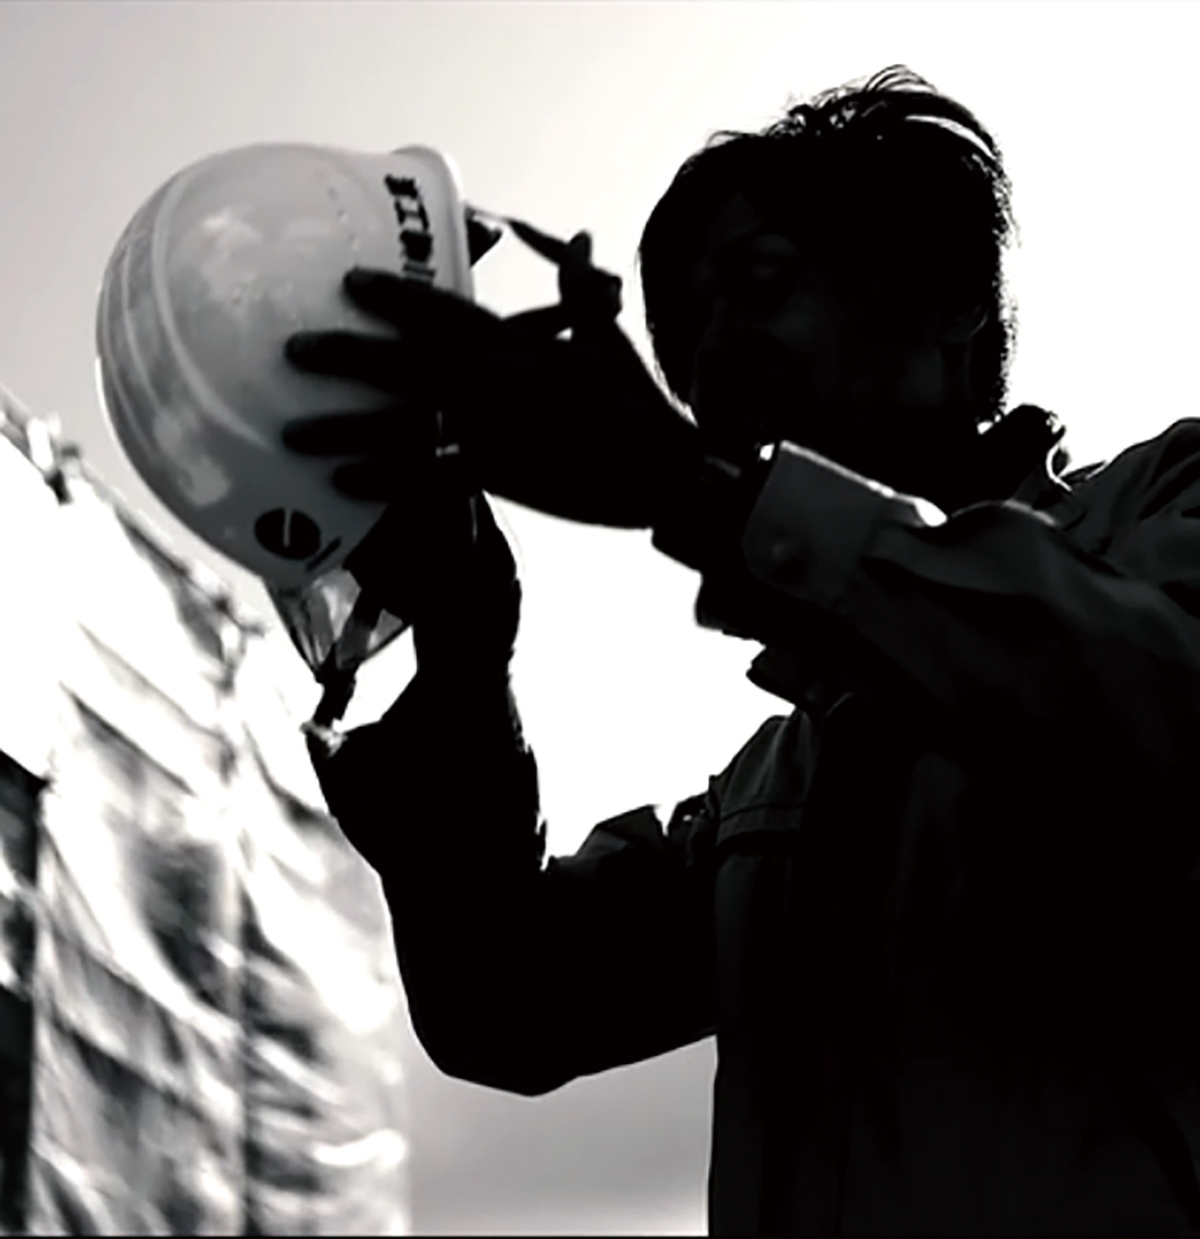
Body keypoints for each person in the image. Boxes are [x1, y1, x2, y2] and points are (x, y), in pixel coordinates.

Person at [280, 66, 1200, 1234]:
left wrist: (692, 485)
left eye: (762, 283)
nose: (713, 363)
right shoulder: (775, 793)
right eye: (680, 343)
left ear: (953, 297)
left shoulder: (1171, 504)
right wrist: (465, 654)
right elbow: (510, 1006)